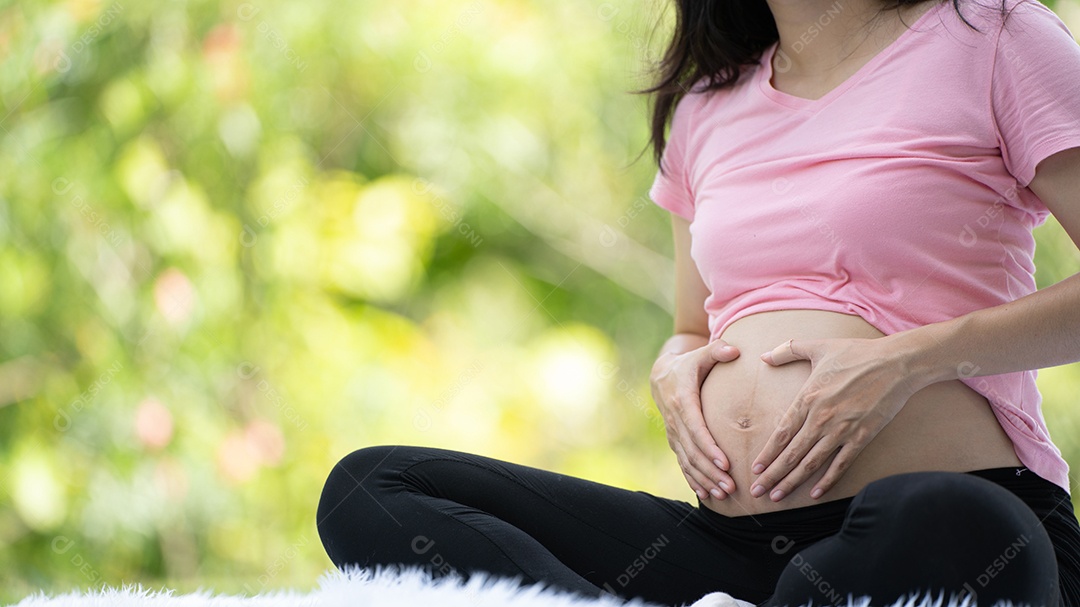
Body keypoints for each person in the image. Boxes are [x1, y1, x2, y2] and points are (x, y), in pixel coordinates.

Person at [316, 0, 1080, 605]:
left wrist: (909, 362)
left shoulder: (995, 35)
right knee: (369, 488)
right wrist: (672, 373)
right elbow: (691, 327)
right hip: (734, 549)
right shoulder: (708, 104)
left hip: (957, 523)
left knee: (955, 518)